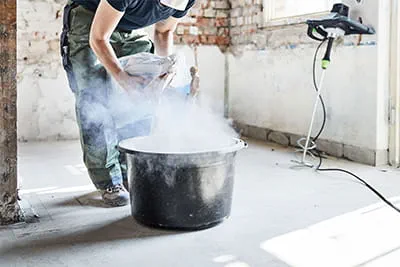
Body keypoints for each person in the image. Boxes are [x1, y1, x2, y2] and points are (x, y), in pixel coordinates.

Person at [60, 0, 195, 207]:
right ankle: (108, 181)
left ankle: (130, 170)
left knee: (141, 99)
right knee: (95, 99)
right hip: (90, 20)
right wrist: (123, 79)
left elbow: (164, 32)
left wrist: (165, 71)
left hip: (130, 25)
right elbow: (98, 38)